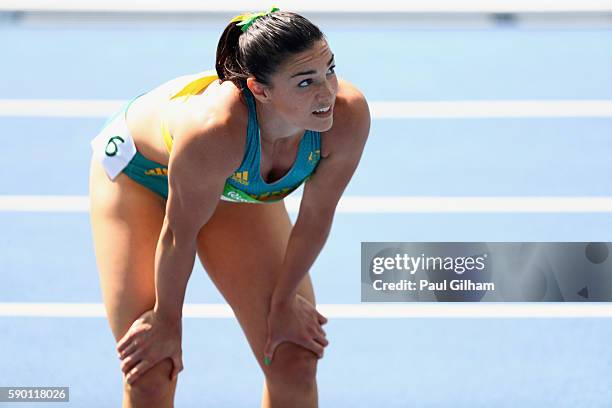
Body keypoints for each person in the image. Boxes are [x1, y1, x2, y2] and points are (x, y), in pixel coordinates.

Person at [88, 6, 370, 407]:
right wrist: (167, 321)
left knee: (293, 357)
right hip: (140, 176)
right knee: (153, 370)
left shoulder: (346, 116)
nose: (327, 91)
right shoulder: (214, 131)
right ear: (260, 90)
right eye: (305, 82)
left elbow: (315, 218)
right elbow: (177, 234)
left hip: (226, 187)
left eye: (330, 69)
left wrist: (285, 302)